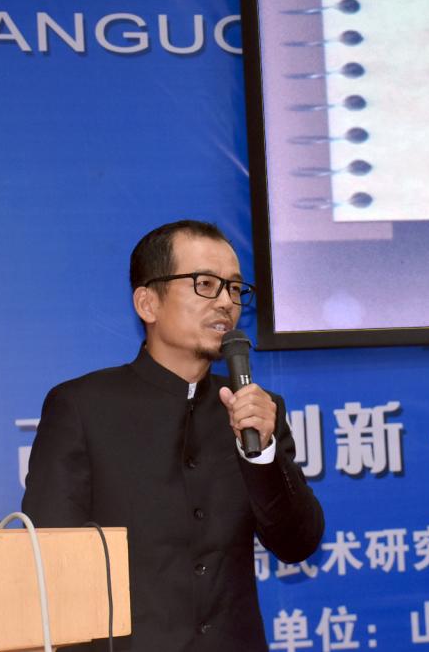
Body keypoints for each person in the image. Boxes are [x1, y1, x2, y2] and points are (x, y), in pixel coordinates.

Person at [23, 220, 324, 651]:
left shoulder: (256, 410)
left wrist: (262, 455)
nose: (226, 302)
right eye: (206, 284)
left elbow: (298, 543)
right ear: (147, 303)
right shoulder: (82, 407)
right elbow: (49, 562)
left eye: (235, 288)